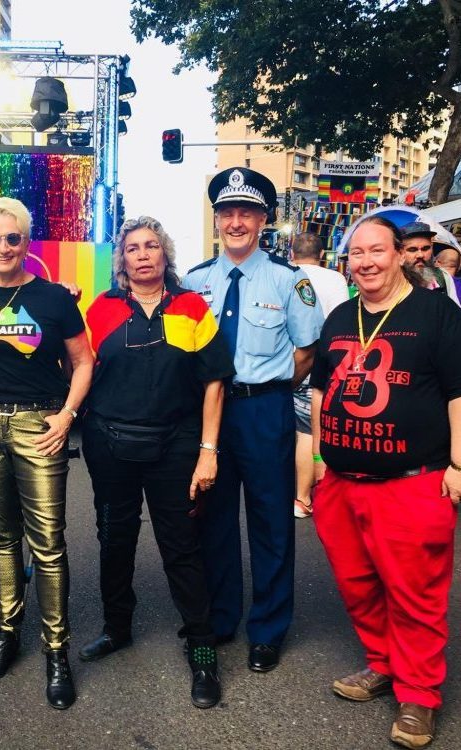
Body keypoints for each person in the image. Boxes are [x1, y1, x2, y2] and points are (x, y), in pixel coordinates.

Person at [310, 216, 461, 749]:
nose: (366, 262)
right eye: (356, 254)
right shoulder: (338, 316)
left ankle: (419, 694)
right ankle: (384, 665)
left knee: (415, 591)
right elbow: (319, 390)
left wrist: (459, 465)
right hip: (343, 481)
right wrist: (316, 463)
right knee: (358, 584)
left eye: (376, 251)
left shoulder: (437, 314)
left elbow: (457, 392)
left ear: (400, 255)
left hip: (412, 482)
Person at [78, 216, 234, 709]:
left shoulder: (191, 308)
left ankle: (203, 649)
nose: (142, 254)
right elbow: (77, 367)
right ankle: (116, 627)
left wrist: (208, 451)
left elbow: (214, 382)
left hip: (176, 447)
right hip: (110, 445)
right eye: (132, 248)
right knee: (114, 537)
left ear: (165, 254)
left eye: (151, 246)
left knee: (181, 546)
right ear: (121, 260)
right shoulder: (100, 309)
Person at [0, 197, 93, 710]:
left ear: (27, 243)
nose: (4, 247)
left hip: (40, 423)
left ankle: (57, 651)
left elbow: (83, 361)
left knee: (48, 543)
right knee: (3, 537)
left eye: (13, 238)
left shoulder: (54, 298)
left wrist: (67, 416)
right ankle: (7, 634)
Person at [183, 167, 323, 673]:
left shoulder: (290, 280)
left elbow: (307, 351)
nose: (236, 222)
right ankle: (221, 619)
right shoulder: (195, 281)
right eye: (227, 212)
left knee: (270, 524)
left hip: (265, 410)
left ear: (264, 219)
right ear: (217, 219)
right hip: (211, 414)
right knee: (214, 520)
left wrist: (268, 389)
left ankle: (267, 629)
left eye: (247, 212)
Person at [289, 232, 349, 518]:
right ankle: (302, 497)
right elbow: (339, 321)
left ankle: (293, 491)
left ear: (292, 253)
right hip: (321, 362)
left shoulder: (287, 273)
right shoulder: (335, 280)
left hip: (288, 361)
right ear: (322, 255)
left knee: (291, 431)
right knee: (308, 431)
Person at [398, 222, 459, 305]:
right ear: (400, 252)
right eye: (412, 249)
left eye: (425, 248)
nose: (420, 255)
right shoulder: (392, 282)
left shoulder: (443, 277)